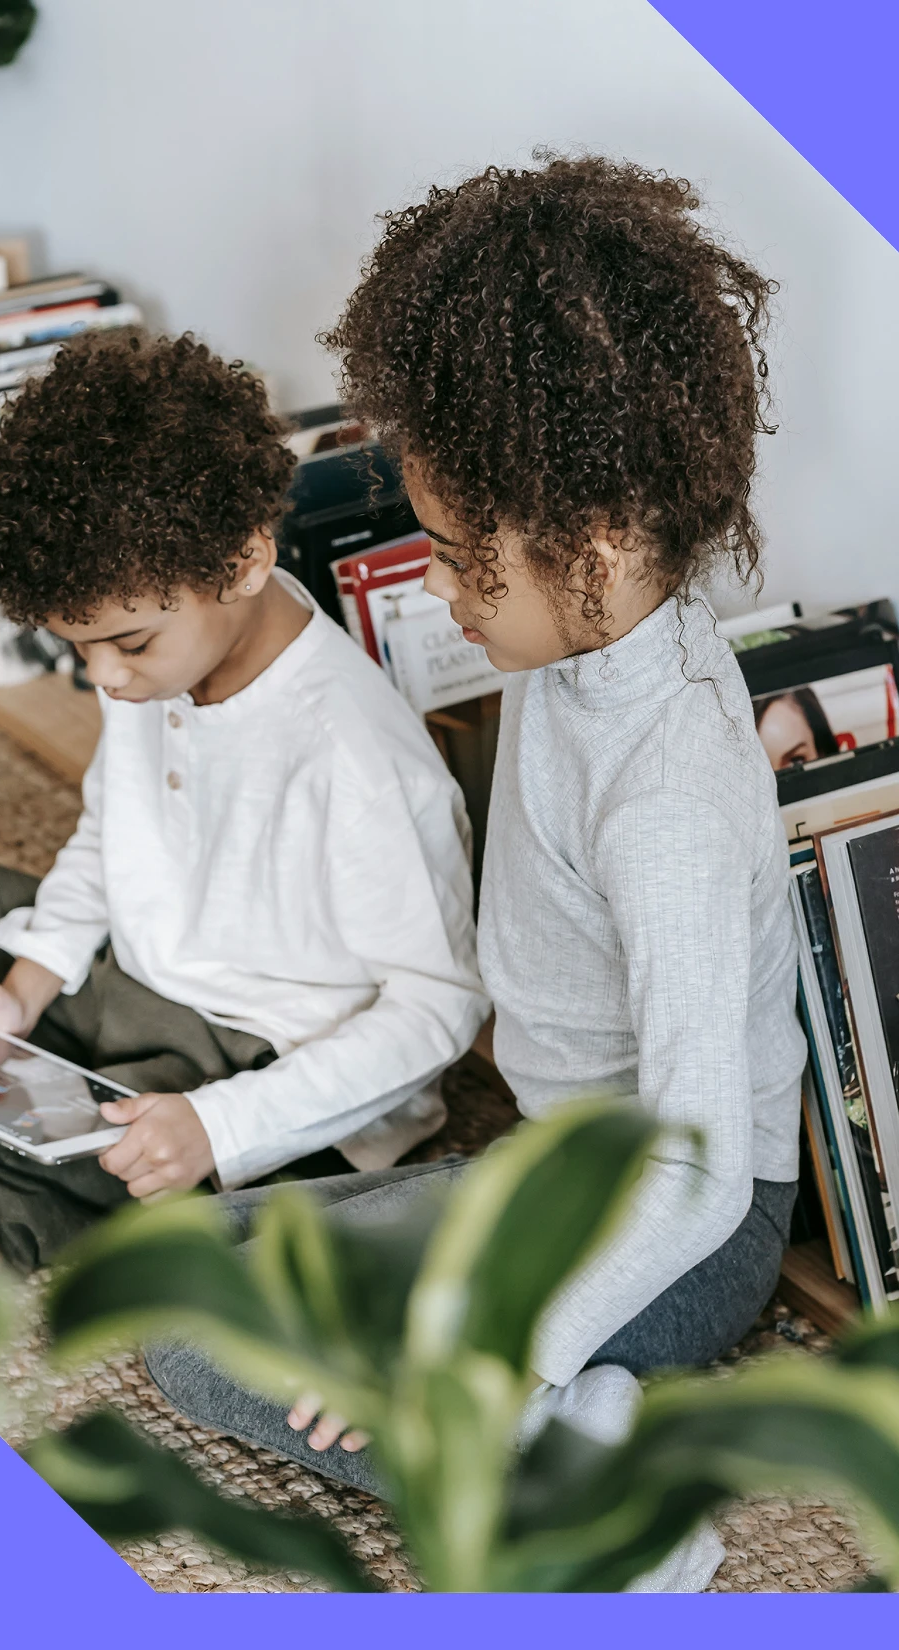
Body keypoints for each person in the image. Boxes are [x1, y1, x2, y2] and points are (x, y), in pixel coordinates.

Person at [144, 154, 808, 1488]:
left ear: (593, 545)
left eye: (455, 555)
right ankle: (572, 1408)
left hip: (676, 1229)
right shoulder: (603, 632)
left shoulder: (664, 801)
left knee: (200, 1345)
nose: (435, 587)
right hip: (551, 1172)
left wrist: (502, 1338)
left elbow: (696, 1179)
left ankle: (567, 1506)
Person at [0, 331, 487, 1272]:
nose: (106, 680)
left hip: (254, 1066)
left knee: (0, 1175)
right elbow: (110, 835)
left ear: (244, 562)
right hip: (124, 979)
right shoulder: (162, 655)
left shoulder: (358, 758)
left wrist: (215, 1125)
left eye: (128, 644)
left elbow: (437, 1010)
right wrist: (23, 987)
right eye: (79, 650)